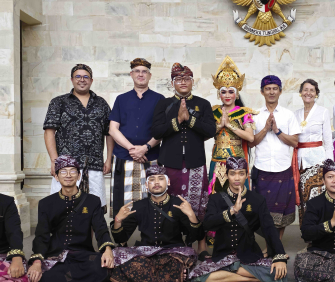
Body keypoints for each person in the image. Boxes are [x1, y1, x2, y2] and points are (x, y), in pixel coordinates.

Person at [189, 157, 289, 282]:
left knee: (279, 273)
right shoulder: (216, 199)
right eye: (232, 174)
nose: (237, 178)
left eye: (241, 173)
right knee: (196, 277)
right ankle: (251, 277)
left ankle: (232, 272)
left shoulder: (257, 199)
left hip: (249, 254)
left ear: (247, 175)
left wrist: (279, 256)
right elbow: (207, 224)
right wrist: (231, 211)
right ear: (227, 175)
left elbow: (269, 227)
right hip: (222, 255)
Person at [151, 63, 217, 254]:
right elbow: (156, 131)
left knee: (199, 205)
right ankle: (173, 242)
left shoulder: (203, 104)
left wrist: (190, 119)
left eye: (187, 79)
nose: (183, 82)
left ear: (192, 81)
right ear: (172, 82)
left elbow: (211, 130)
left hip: (195, 163)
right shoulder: (164, 104)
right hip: (169, 163)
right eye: (178, 79)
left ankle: (201, 244)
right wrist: (178, 120)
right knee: (171, 203)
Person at [27, 156, 114, 282]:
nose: (68, 175)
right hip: (56, 255)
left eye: (73, 171)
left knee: (101, 267)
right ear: (56, 177)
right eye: (63, 171)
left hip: (83, 254)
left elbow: (101, 229)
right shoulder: (46, 203)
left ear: (79, 176)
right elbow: (41, 235)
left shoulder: (92, 201)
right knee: (39, 275)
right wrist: (37, 262)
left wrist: (107, 250)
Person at [110, 165, 202, 282]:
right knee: (117, 255)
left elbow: (196, 236)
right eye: (152, 180)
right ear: (146, 185)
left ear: (168, 182)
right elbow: (120, 239)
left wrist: (191, 216)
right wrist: (118, 220)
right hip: (146, 253)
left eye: (161, 178)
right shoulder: (139, 206)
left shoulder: (179, 204)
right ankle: (174, 275)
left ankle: (152, 275)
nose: (156, 182)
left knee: (177, 259)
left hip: (173, 252)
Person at [44, 63, 113, 209]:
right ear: (72, 79)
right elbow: (49, 131)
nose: (82, 80)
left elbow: (109, 132)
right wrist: (54, 161)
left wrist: (109, 158)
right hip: (66, 165)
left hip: (94, 164)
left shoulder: (101, 103)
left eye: (86, 77)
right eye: (78, 76)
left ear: (91, 80)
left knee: (95, 207)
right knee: (62, 207)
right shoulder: (58, 102)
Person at [109, 58, 164, 217]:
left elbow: (162, 130)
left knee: (153, 202)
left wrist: (145, 148)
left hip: (151, 158)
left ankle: (150, 232)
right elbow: (113, 129)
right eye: (137, 71)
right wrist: (133, 149)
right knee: (123, 203)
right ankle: (122, 232)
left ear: (150, 75)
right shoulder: (121, 99)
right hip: (124, 157)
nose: (141, 74)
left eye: (144, 71)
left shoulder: (160, 99)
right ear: (131, 74)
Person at [248, 75, 301, 237]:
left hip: (283, 169)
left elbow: (295, 142)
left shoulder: (288, 115)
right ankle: (270, 244)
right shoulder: (255, 115)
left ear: (280, 91)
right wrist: (265, 129)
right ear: (262, 92)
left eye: (275, 89)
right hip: (261, 169)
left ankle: (276, 246)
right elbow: (251, 143)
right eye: (268, 89)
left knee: (281, 212)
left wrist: (277, 131)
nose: (271, 92)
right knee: (261, 211)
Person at [208, 56, 255, 194]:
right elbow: (205, 134)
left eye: (231, 91)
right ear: (219, 94)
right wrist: (219, 126)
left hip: (237, 162)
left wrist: (229, 125)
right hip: (217, 160)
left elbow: (250, 137)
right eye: (223, 92)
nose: (227, 95)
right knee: (216, 196)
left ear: (237, 93)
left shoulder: (244, 113)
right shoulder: (213, 112)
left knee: (238, 194)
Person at [293, 79, 333, 228]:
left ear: (316, 94)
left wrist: (330, 166)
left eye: (312, 90)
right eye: (305, 89)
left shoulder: (323, 112)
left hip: (318, 162)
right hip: (300, 163)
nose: (308, 93)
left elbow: (328, 141)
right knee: (303, 199)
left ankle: (321, 233)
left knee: (317, 199)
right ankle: (307, 233)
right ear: (300, 93)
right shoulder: (295, 114)